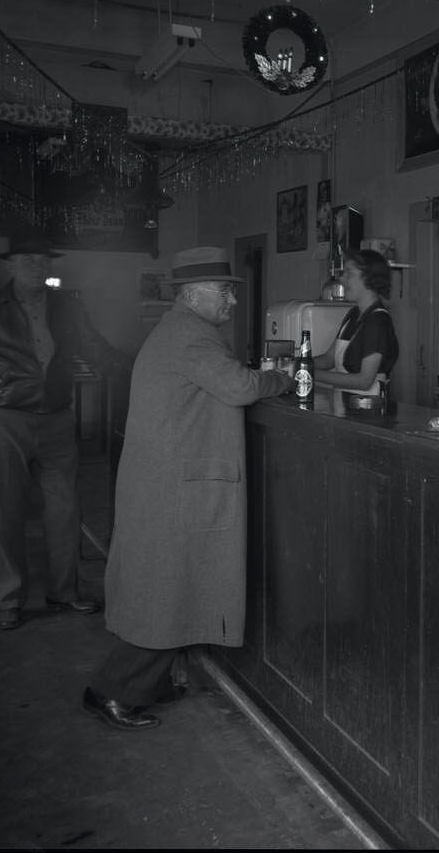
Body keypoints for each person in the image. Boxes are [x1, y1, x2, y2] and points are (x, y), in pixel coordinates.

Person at [81, 246, 296, 731]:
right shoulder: (191, 337)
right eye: (225, 292)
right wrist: (282, 378)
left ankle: (147, 685)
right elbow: (241, 388)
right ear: (194, 295)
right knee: (166, 594)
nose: (232, 302)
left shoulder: (182, 331)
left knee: (168, 591)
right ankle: (110, 692)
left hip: (165, 482)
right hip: (172, 488)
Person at [0, 225, 131, 631]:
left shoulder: (68, 306)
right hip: (2, 419)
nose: (37, 265)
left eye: (43, 259)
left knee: (65, 510)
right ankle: (9, 599)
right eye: (28, 259)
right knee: (6, 511)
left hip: (56, 419)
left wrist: (146, 371)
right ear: (11, 265)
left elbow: (98, 351)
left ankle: (64, 592)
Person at [312, 248, 399, 397]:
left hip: (368, 410)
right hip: (345, 406)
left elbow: (364, 381)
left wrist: (309, 373)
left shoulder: (378, 321)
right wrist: (299, 364)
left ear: (369, 280)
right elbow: (329, 359)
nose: (342, 279)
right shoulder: (353, 314)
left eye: (349, 274)